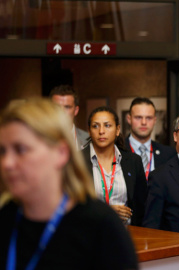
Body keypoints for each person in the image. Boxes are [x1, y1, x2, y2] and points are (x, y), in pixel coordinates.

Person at [0, 99, 138, 269]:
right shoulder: (6, 216)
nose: (7, 163)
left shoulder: (101, 225)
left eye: (21, 149)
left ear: (61, 152)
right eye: (2, 151)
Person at [82, 106, 147, 226]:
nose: (101, 131)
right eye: (95, 126)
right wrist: (107, 212)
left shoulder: (133, 162)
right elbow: (68, 208)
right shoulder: (77, 161)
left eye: (107, 125)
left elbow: (141, 206)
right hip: (89, 235)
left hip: (127, 235)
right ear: (89, 131)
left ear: (117, 130)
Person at [125, 97, 176, 179]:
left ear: (155, 120)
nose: (144, 122)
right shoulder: (117, 151)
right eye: (138, 117)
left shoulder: (169, 155)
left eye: (149, 118)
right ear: (129, 119)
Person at [50, 85, 89, 150]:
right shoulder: (39, 138)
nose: (62, 112)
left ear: (76, 110)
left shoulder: (88, 140)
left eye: (67, 107)